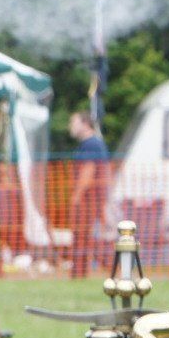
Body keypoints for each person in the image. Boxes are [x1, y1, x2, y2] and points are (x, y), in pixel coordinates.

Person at [67, 110, 112, 276]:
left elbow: (88, 170)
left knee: (83, 237)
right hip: (95, 199)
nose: (70, 126)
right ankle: (80, 273)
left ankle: (80, 274)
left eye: (73, 122)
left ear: (85, 124)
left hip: (88, 199)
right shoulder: (92, 143)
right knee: (88, 238)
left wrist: (77, 195)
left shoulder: (90, 144)